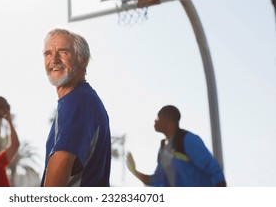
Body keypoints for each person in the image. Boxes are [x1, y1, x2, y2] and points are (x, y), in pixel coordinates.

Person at [41, 28, 111, 187]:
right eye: (47, 54)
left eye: (63, 52)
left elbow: (59, 172)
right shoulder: (78, 102)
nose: (54, 59)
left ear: (83, 60)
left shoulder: (79, 101)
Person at [126, 105, 226, 187]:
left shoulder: (188, 139)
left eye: (158, 117)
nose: (155, 121)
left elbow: (214, 170)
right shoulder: (163, 150)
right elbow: (157, 180)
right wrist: (135, 172)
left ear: (168, 119)